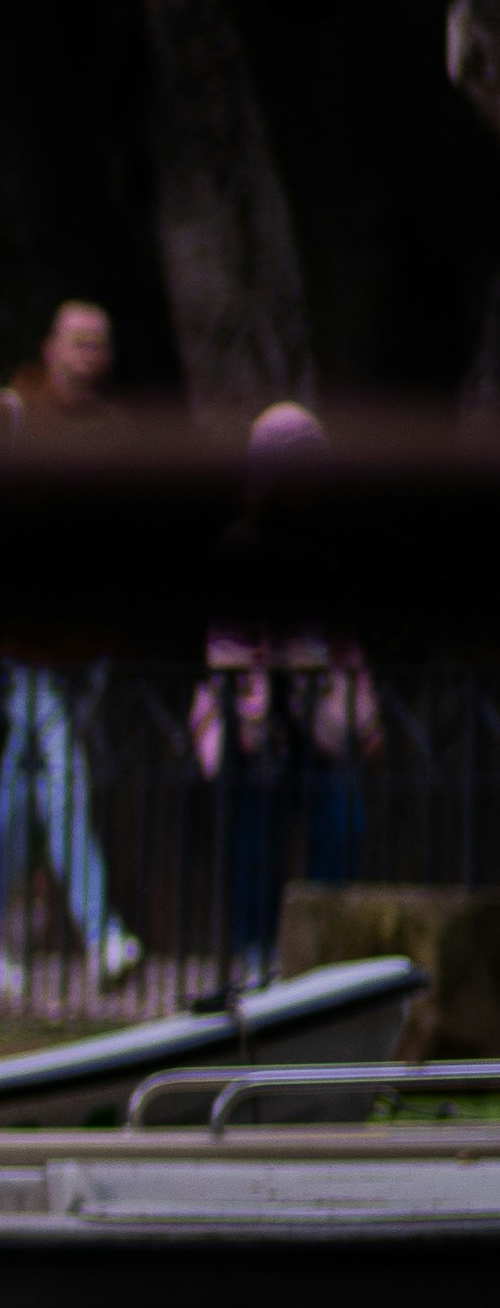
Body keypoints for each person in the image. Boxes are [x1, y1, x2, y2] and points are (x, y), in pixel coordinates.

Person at [0, 300, 139, 985]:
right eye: (77, 342)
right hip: (21, 644)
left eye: (99, 343)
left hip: (87, 643)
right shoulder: (10, 415)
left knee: (21, 791)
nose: (88, 355)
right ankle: (104, 935)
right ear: (50, 347)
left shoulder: (118, 431)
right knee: (66, 781)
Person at [195, 398, 372, 987]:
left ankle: (324, 953)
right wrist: (251, 697)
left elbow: (345, 639)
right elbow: (224, 640)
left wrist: (348, 697)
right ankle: (255, 953)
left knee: (338, 828)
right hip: (256, 712)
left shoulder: (334, 548)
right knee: (256, 840)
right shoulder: (240, 546)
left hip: (320, 709)